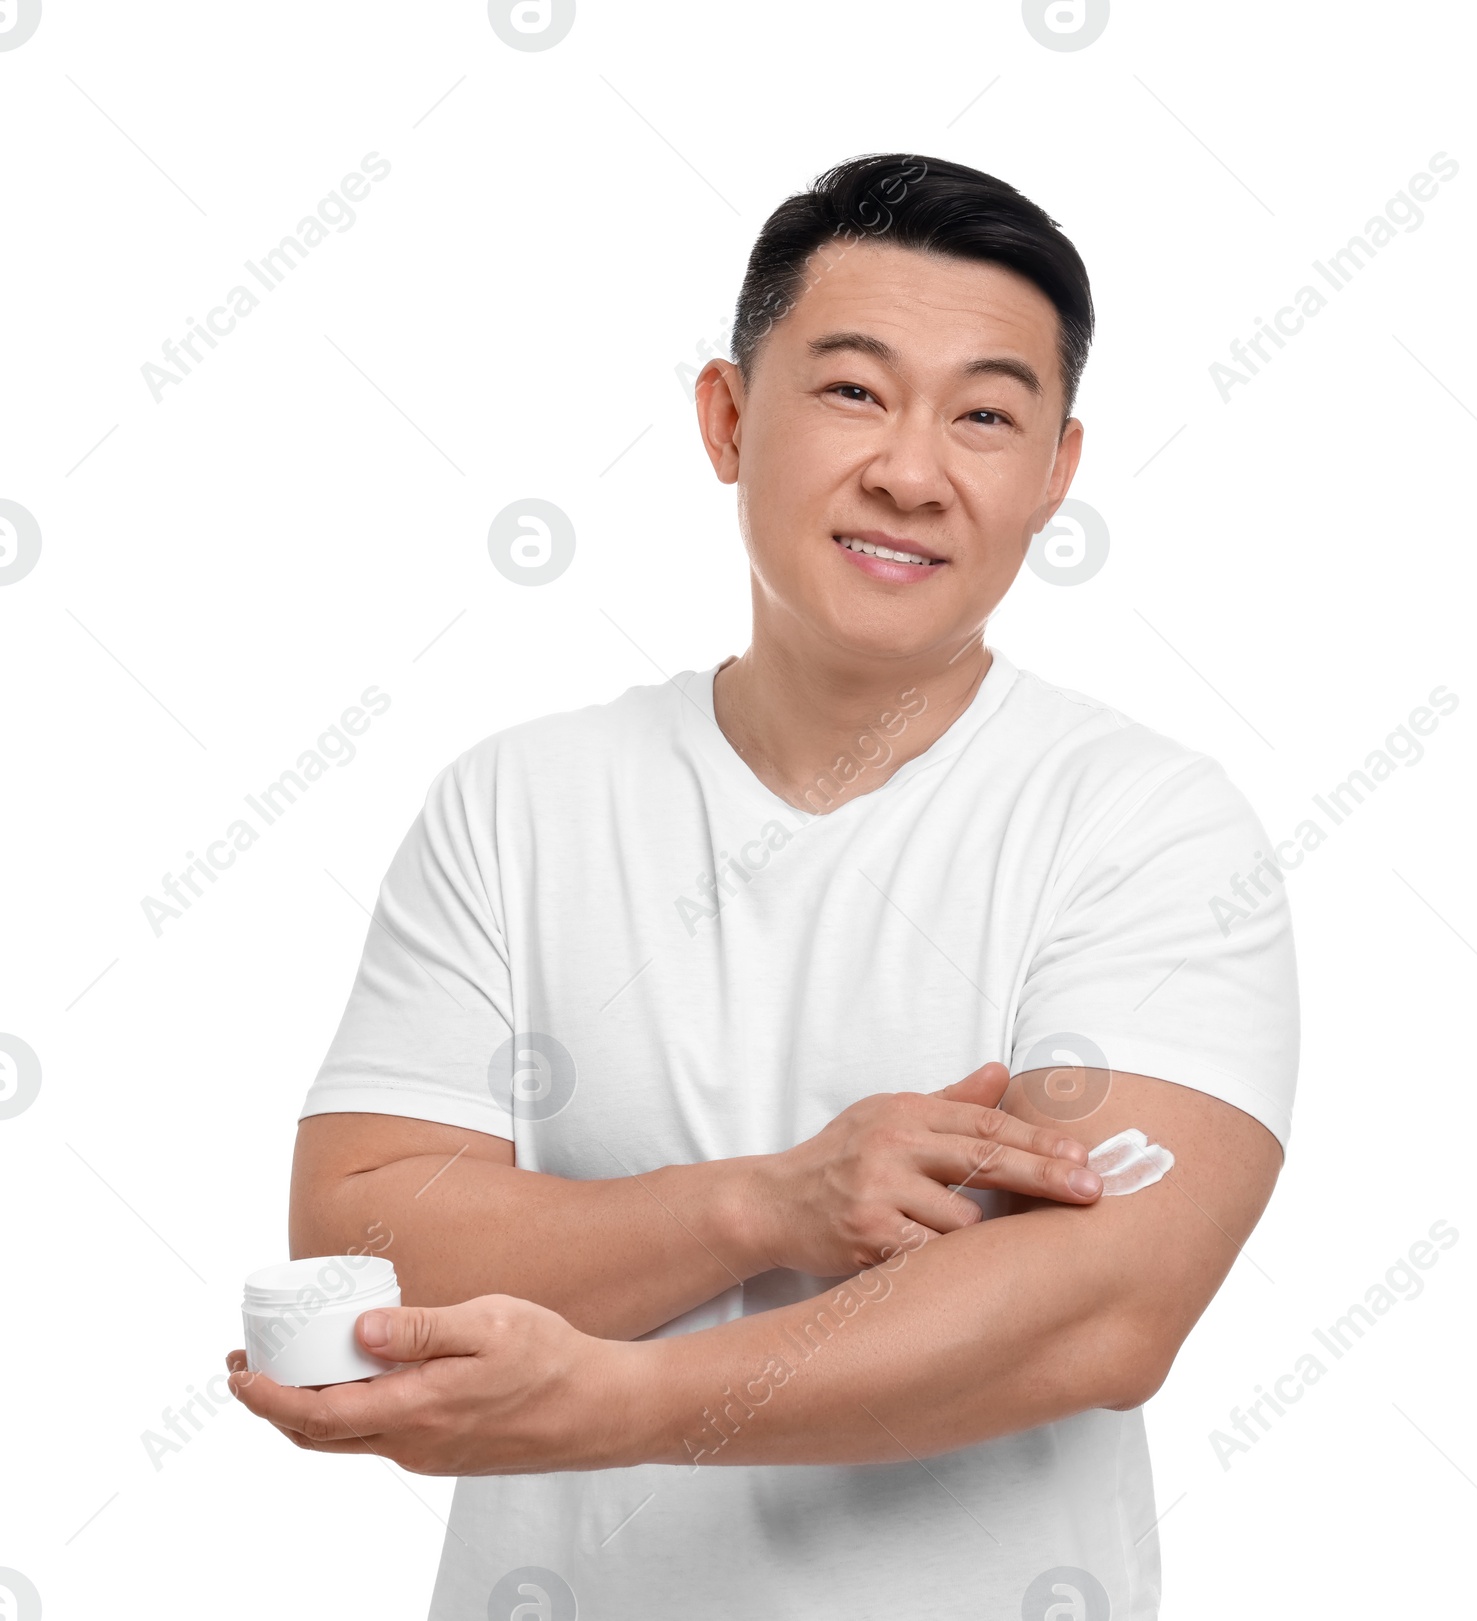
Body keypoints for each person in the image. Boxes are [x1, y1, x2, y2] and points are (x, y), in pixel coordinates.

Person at [228, 152, 1298, 1619]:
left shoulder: (1144, 824)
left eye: (986, 416)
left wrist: (611, 1396)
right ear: (728, 418)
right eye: (853, 390)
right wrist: (768, 1206)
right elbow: (372, 1245)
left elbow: (1105, 1308)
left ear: (1055, 475)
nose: (912, 471)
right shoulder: (519, 802)